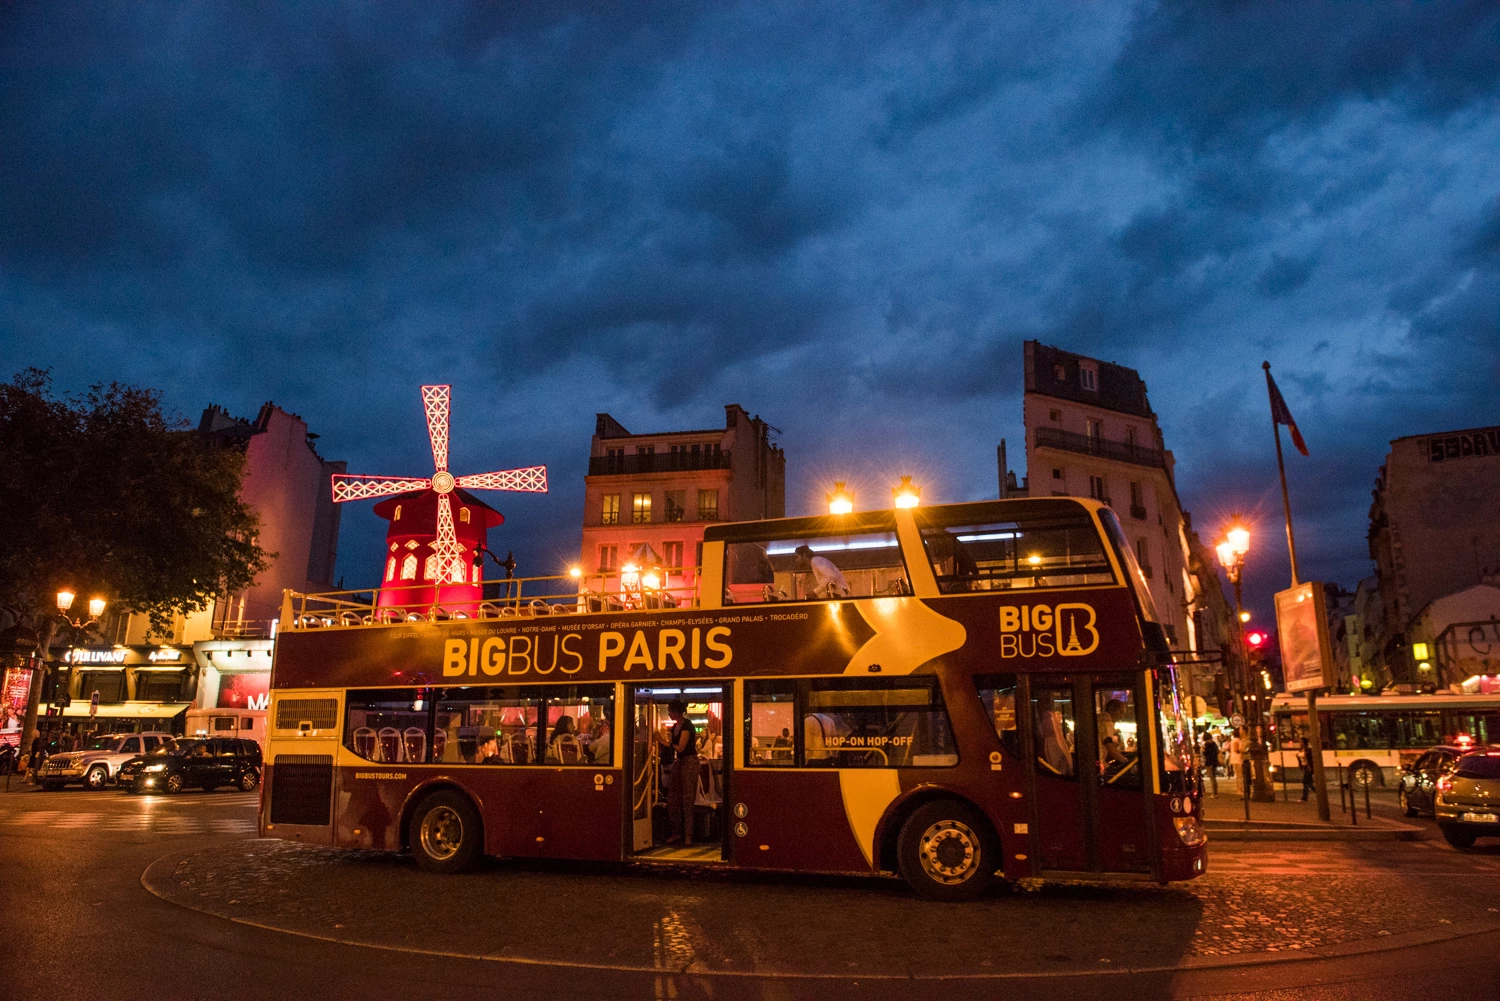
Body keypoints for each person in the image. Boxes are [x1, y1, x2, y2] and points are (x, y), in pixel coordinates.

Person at [664, 699, 698, 845]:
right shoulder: (674, 727)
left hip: (690, 761)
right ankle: (677, 832)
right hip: (680, 762)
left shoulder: (687, 726)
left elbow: (681, 747)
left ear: (676, 711)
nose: (669, 713)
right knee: (673, 799)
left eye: (670, 711)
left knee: (687, 800)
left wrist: (665, 742)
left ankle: (688, 836)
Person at [1201, 733, 1220, 797]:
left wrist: (1203, 751)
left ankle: (1214, 793)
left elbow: (1206, 754)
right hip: (1214, 762)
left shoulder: (1206, 744)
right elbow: (1216, 752)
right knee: (1213, 777)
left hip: (1209, 762)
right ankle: (1215, 792)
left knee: (1212, 778)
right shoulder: (1214, 744)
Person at [1298, 736, 1316, 802]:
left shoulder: (1308, 749)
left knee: (1305, 782)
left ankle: (1304, 798)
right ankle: (1319, 793)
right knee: (1310, 783)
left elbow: (1311, 759)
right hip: (1305, 766)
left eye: (1301, 741)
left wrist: (1311, 767)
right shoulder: (1301, 749)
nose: (1300, 743)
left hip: (1308, 767)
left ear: (1304, 742)